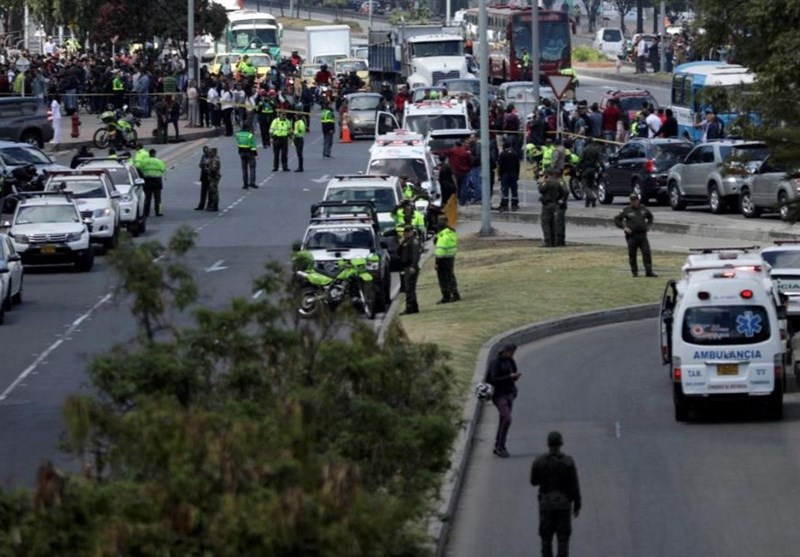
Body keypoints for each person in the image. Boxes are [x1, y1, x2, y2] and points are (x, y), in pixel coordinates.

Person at [530, 431, 582, 557]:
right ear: (561, 444)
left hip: (546, 504)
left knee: (546, 539)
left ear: (548, 444)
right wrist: (577, 505)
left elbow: (533, 481)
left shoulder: (539, 461)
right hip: (564, 504)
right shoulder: (568, 462)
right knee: (563, 538)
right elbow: (575, 486)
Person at [485, 343, 520, 458]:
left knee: (503, 419)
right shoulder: (495, 362)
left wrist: (514, 378)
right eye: (510, 352)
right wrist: (509, 377)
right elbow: (492, 379)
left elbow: (513, 373)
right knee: (507, 418)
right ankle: (501, 446)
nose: (512, 354)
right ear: (504, 351)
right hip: (499, 395)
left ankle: (498, 445)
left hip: (509, 393)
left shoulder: (510, 361)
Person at [614, 193, 657, 277]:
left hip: (642, 235)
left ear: (638, 200)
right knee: (632, 254)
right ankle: (634, 272)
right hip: (632, 236)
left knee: (646, 253)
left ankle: (649, 271)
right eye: (632, 200)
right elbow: (617, 219)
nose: (634, 202)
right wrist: (624, 227)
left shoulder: (643, 209)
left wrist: (648, 226)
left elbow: (650, 217)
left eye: (635, 200)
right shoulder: (627, 210)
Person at [434, 221, 460, 304]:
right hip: (450, 257)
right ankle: (455, 294)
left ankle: (446, 296)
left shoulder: (442, 236)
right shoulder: (451, 233)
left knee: (443, 279)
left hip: (443, 260)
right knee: (450, 276)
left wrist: (436, 263)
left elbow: (440, 251)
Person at [539, 168, 566, 248]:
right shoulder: (557, 182)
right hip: (555, 204)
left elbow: (541, 190)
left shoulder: (546, 182)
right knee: (553, 224)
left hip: (547, 205)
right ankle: (554, 241)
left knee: (546, 223)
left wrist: (541, 182)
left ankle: (548, 241)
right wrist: (559, 199)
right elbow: (563, 192)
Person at [398, 224, 421, 315]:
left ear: (412, 232)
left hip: (410, 267)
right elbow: (398, 252)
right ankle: (414, 307)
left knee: (409, 288)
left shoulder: (414, 241)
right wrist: (401, 244)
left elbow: (416, 255)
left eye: (409, 231)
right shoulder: (405, 241)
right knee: (409, 288)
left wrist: (413, 266)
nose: (407, 233)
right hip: (406, 266)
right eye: (406, 232)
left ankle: (410, 307)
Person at [140, 149, 166, 217]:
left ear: (149, 154)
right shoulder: (159, 161)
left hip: (147, 180)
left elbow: (141, 168)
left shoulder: (144, 161)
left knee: (147, 197)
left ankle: (146, 212)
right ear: (155, 154)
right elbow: (163, 169)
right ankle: (158, 212)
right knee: (158, 198)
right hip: (157, 180)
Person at [497, 138, 520, 211]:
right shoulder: (515, 153)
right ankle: (514, 204)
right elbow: (518, 165)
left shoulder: (502, 154)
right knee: (514, 190)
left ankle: (504, 204)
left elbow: (500, 166)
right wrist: (517, 175)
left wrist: (499, 175)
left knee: (504, 190)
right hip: (513, 174)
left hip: (505, 174)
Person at [579, 138, 603, 208]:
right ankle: (588, 203)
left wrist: (578, 168)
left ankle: (592, 197)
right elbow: (600, 160)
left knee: (585, 185)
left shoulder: (585, 150)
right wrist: (603, 169)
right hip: (594, 169)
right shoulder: (596, 150)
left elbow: (581, 160)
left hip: (586, 169)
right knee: (591, 185)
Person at [437, 154, 458, 227]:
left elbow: (438, 178)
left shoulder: (438, 167)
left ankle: (447, 215)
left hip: (443, 186)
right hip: (449, 186)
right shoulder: (447, 166)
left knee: (445, 201)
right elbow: (452, 176)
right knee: (450, 202)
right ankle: (449, 215)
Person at [236, 123, 259, 189]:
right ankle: (252, 183)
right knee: (252, 168)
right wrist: (255, 154)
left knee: (244, 169)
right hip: (250, 153)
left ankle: (245, 184)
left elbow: (238, 143)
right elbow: (253, 146)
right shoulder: (250, 135)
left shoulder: (238, 134)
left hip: (242, 153)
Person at [206, 147, 221, 212]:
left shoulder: (215, 159)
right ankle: (213, 205)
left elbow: (214, 169)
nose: (209, 153)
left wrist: (208, 168)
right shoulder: (212, 158)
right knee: (212, 191)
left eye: (210, 152)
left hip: (214, 177)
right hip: (212, 177)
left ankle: (215, 206)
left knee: (214, 191)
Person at [196, 146, 211, 210]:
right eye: (204, 151)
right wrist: (203, 165)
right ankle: (201, 205)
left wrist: (207, 166)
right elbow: (200, 164)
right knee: (203, 192)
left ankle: (209, 205)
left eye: (206, 151)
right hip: (204, 175)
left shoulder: (212, 157)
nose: (205, 152)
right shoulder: (203, 156)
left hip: (210, 176)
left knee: (210, 191)